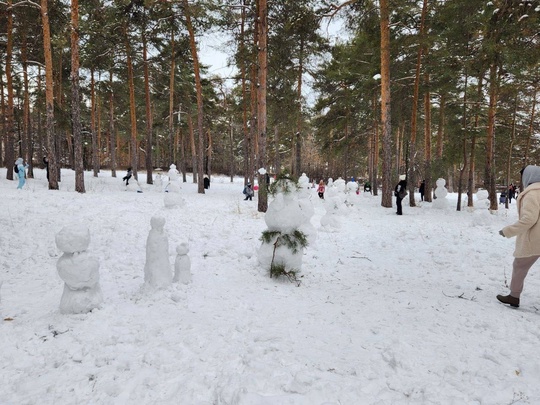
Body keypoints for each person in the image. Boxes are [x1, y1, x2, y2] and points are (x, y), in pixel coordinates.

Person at [497, 166, 540, 308]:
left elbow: (529, 219)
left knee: (519, 265)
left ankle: (514, 296)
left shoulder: (532, 193)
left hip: (535, 239)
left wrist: (509, 231)